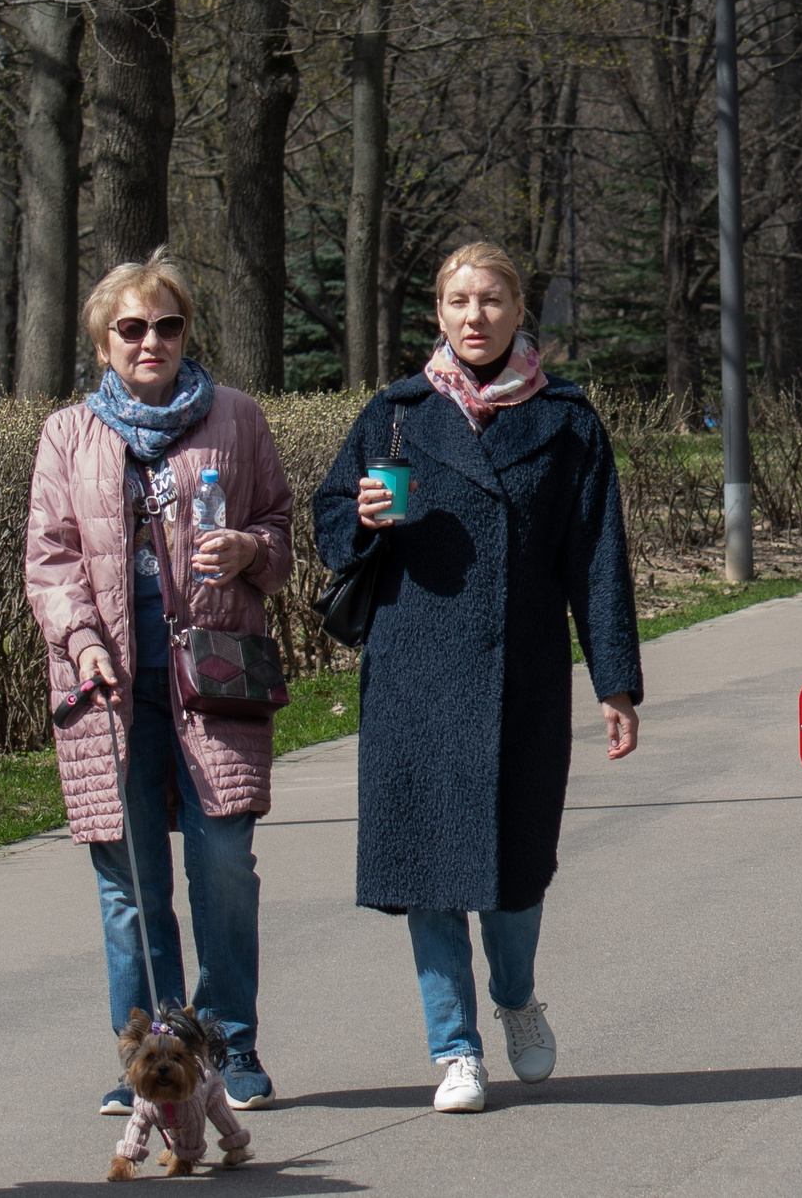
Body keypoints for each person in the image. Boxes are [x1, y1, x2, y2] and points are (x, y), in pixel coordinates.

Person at [314, 242, 643, 1114]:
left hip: (522, 675)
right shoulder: (396, 411)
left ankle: (516, 997)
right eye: (459, 299)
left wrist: (615, 679)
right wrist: (362, 516)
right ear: (438, 312)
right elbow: (329, 514)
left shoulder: (568, 420)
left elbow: (598, 556)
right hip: (415, 674)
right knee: (430, 867)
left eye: (491, 299)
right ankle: (454, 1049)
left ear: (519, 309)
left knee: (517, 866)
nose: (474, 316)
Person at [25, 250, 294, 1116]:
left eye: (167, 325)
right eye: (132, 328)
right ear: (104, 342)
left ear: (187, 333)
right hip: (105, 685)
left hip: (213, 675)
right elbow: (50, 557)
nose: (151, 341)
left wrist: (252, 549)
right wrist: (80, 637)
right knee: (130, 884)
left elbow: (282, 532)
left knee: (222, 865)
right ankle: (145, 1055)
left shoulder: (237, 419)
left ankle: (228, 1047)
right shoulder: (68, 433)